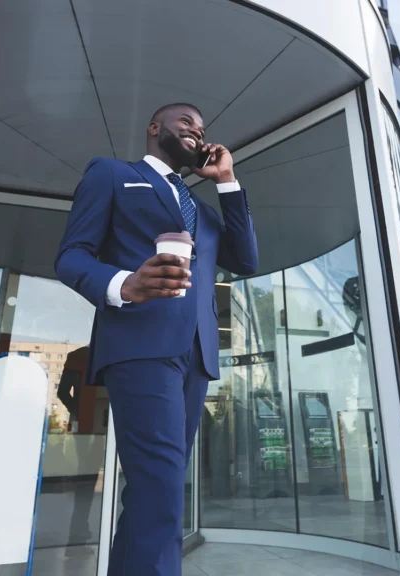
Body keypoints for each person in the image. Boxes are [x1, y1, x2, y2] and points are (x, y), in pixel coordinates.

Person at [55, 103, 258, 575]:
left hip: (197, 355)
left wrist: (226, 181)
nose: (196, 130)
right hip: (141, 345)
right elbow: (71, 256)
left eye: (202, 128)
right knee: (161, 489)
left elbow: (246, 259)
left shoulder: (205, 214)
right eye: (186, 122)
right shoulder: (111, 175)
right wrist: (123, 284)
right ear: (154, 128)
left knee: (156, 490)